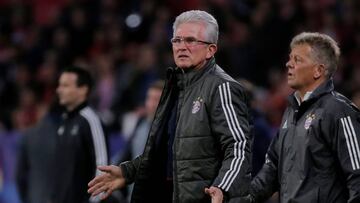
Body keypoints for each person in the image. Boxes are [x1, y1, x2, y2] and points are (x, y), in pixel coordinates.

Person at [88, 10, 252, 203]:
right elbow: (167, 153)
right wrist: (127, 172)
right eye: (177, 40)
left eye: (191, 40)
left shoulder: (221, 87)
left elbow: (238, 146)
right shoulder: (176, 87)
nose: (182, 47)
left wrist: (223, 188)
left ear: (211, 50)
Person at [250, 32, 360, 202]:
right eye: (290, 58)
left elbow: (357, 177)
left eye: (297, 60)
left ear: (318, 70)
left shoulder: (339, 111)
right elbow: (271, 169)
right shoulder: (290, 113)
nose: (288, 64)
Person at [54, 66, 108, 203]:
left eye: (65, 85)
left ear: (83, 89)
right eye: (59, 85)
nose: (59, 90)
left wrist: (93, 200)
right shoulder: (65, 120)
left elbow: (102, 164)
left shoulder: (91, 119)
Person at [15, 101, 62, 203]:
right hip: (58, 197)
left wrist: (25, 198)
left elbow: (19, 175)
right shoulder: (64, 135)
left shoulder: (29, 135)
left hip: (35, 196)